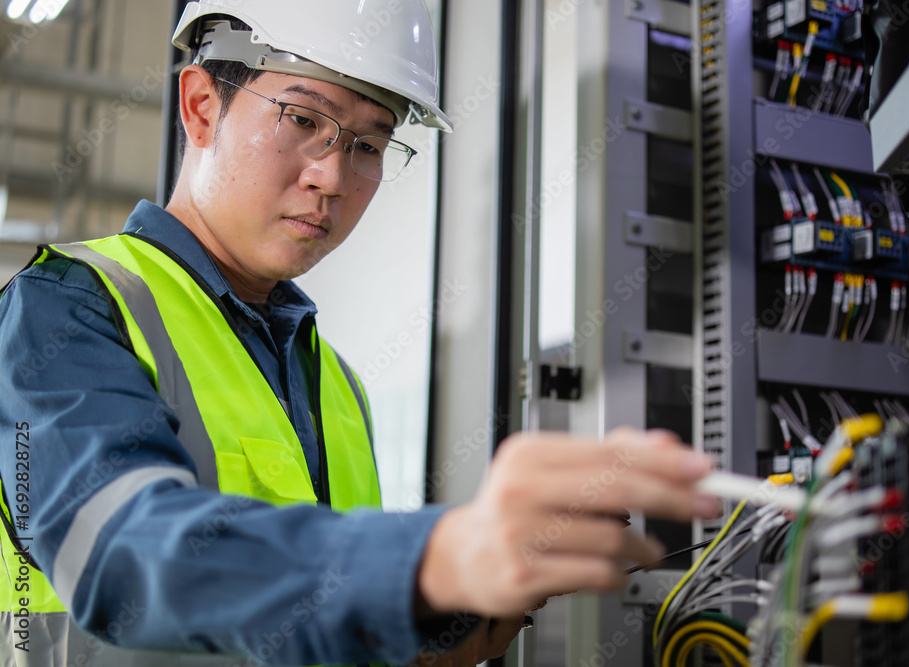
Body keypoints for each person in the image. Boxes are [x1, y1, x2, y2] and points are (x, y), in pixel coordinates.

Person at [0, 1, 719, 665]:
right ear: (199, 107)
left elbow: (327, 625)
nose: (332, 176)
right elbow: (114, 554)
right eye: (300, 118)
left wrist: (485, 592)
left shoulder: (332, 381)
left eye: (370, 145)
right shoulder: (65, 307)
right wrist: (436, 553)